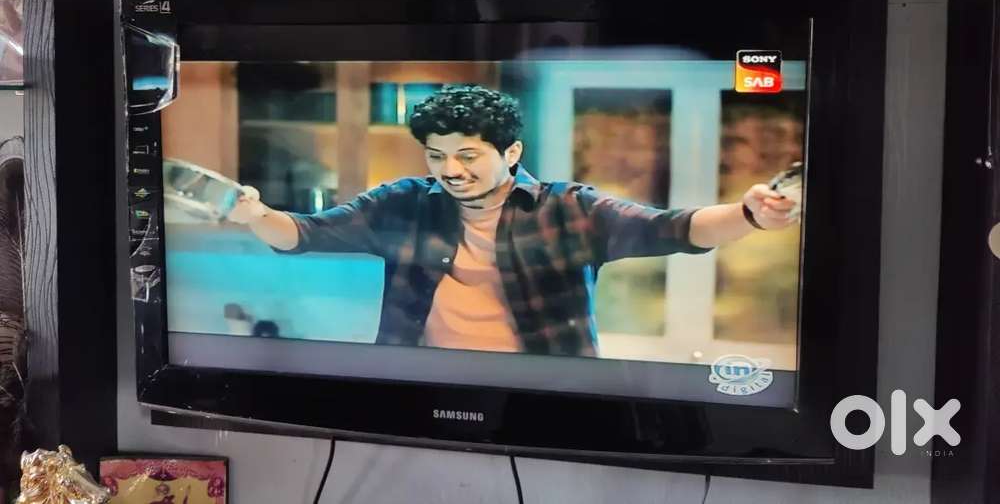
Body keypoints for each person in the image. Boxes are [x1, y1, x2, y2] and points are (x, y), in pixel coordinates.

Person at [228, 85, 795, 357]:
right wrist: (256, 214)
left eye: (467, 155)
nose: (451, 170)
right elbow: (302, 234)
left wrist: (750, 213)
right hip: (422, 386)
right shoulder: (403, 202)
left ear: (512, 151)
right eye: (436, 155)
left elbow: (676, 228)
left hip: (543, 397)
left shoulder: (568, 209)